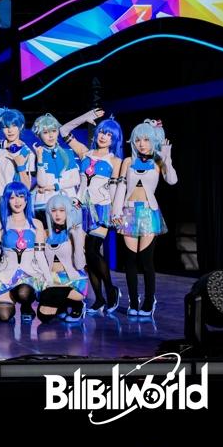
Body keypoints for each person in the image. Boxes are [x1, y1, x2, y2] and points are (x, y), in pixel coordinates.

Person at [59, 109, 123, 314]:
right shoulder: (84, 152)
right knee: (86, 255)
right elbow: (63, 130)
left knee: (93, 249)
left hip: (102, 208)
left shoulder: (115, 161)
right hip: (81, 209)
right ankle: (99, 299)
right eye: (102, 132)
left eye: (110, 135)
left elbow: (117, 189)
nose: (104, 136)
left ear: (115, 140)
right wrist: (86, 117)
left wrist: (116, 212)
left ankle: (111, 290)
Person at [113, 120, 177, 317]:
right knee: (130, 261)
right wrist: (116, 212)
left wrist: (167, 158)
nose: (142, 144)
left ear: (153, 140)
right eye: (138, 140)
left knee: (146, 260)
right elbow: (121, 187)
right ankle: (133, 302)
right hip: (129, 212)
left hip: (149, 213)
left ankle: (149, 301)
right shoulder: (128, 161)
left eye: (146, 139)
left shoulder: (158, 161)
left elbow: (172, 180)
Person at [0, 181, 50, 322]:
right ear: (7, 201)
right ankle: (10, 298)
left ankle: (26, 306)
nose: (17, 201)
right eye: (12, 197)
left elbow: (40, 255)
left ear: (27, 199)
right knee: (4, 315)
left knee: (23, 293)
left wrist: (48, 279)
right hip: (5, 276)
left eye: (21, 196)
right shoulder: (1, 224)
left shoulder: (36, 224)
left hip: (29, 274)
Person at [36, 194, 88, 323]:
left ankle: (77, 304)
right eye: (53, 211)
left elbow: (80, 265)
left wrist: (77, 238)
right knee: (43, 316)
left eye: (62, 210)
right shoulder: (46, 233)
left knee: (50, 297)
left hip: (72, 280)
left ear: (68, 211)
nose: (57, 214)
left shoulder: (78, 232)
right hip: (51, 279)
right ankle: (63, 305)